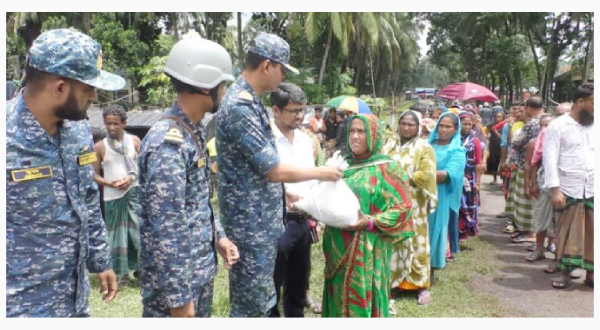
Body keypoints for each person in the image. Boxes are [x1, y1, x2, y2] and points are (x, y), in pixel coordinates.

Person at [216, 33, 342, 317]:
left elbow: (257, 171)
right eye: (283, 69)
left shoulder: (249, 103)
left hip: (260, 222)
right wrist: (323, 172)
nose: (283, 76)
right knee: (253, 307)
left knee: (265, 298)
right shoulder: (240, 107)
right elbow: (273, 170)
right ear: (266, 66)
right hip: (250, 227)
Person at [6, 28, 120, 317]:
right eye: (87, 88)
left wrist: (100, 259)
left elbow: (87, 195)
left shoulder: (78, 129)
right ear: (59, 88)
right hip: (20, 306)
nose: (95, 96)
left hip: (74, 299)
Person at [137, 37, 239, 318]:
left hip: (197, 274)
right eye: (222, 84)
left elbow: (195, 203)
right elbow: (166, 226)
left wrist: (218, 237)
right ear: (206, 85)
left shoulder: (190, 133)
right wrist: (179, 299)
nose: (224, 90)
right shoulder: (168, 144)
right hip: (177, 290)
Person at [320, 114, 414, 317]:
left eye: (361, 132)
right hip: (336, 243)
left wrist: (370, 221)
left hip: (368, 248)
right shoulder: (342, 166)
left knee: (360, 297)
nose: (354, 136)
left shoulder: (387, 169)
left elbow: (404, 208)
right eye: (352, 131)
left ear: (374, 135)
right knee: (337, 294)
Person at [383, 111, 437, 307]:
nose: (406, 128)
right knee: (394, 240)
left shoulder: (424, 147)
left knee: (416, 241)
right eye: (403, 123)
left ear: (418, 127)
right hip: (391, 203)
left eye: (411, 125)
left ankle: (421, 284)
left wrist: (402, 180)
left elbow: (427, 174)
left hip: (414, 205)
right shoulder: (388, 146)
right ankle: (394, 282)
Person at [543, 84, 594, 289]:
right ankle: (564, 273)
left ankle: (591, 275)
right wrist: (555, 189)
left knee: (593, 233)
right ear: (580, 102)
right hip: (567, 187)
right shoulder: (558, 126)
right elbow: (549, 158)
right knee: (565, 232)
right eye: (593, 103)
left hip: (592, 187)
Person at [92, 105, 141, 286]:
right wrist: (109, 183)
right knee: (117, 238)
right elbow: (94, 174)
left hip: (134, 195)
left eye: (116, 124)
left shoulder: (134, 141)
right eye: (108, 124)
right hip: (113, 197)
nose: (112, 127)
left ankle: (142, 270)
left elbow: (143, 167)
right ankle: (121, 275)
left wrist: (130, 178)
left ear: (124, 123)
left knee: (138, 234)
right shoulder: (99, 147)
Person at [428, 113, 466, 272]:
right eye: (441, 125)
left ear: (456, 129)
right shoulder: (426, 144)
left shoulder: (457, 151)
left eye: (448, 126)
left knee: (434, 228)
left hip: (440, 194)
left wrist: (418, 175)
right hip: (420, 193)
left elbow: (449, 175)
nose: (443, 129)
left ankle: (432, 263)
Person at [510, 97, 545, 244]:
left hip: (528, 164)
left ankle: (529, 232)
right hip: (539, 166)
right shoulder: (546, 119)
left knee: (527, 199)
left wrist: (513, 135)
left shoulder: (532, 123)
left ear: (529, 108)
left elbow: (516, 142)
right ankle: (528, 231)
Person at [525, 114, 557, 263]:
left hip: (564, 186)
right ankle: (539, 249)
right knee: (541, 216)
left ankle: (558, 253)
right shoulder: (537, 141)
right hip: (544, 183)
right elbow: (533, 163)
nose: (544, 128)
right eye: (541, 125)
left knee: (559, 220)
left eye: (547, 125)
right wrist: (532, 183)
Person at [458, 111, 483, 243]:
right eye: (464, 124)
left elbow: (479, 163)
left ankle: (464, 231)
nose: (467, 127)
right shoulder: (453, 140)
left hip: (470, 178)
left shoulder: (475, 141)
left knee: (467, 203)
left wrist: (478, 182)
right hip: (455, 177)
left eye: (469, 124)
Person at [487, 112, 505, 184]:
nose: (498, 118)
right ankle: (494, 179)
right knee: (494, 162)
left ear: (503, 118)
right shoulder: (491, 125)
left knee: (503, 162)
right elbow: (487, 133)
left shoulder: (505, 125)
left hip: (502, 145)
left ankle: (504, 180)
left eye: (500, 117)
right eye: (497, 117)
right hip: (494, 145)